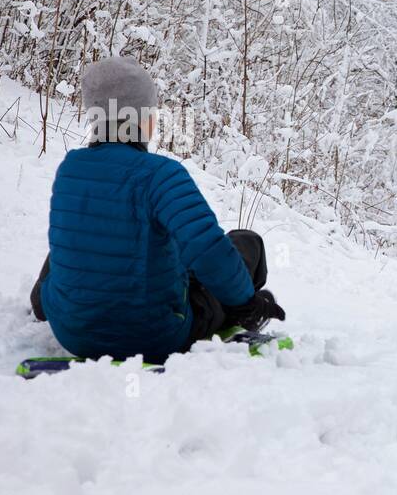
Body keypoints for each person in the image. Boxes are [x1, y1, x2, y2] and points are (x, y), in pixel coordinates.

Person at [30, 56, 285, 363]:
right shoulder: (160, 174)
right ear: (140, 117)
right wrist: (247, 302)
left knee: (85, 233)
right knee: (247, 242)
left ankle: (59, 305)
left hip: (72, 331)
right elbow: (207, 249)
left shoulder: (70, 168)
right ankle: (238, 309)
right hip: (153, 335)